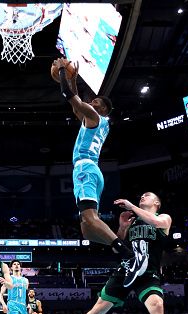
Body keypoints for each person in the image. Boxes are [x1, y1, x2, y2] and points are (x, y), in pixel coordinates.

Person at [56, 192, 178, 314]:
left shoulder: (164, 217)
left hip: (147, 272)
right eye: (141, 195)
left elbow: (158, 223)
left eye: (147, 195)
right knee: (98, 309)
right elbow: (116, 248)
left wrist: (131, 206)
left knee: (157, 305)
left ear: (157, 202)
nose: (142, 196)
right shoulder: (132, 222)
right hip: (126, 269)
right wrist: (122, 227)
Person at [52, 57, 134, 271]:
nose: (92, 102)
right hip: (92, 170)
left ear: (103, 109)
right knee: (87, 230)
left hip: (85, 169)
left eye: (96, 101)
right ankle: (118, 242)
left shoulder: (95, 115)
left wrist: (62, 72)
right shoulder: (96, 120)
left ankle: (125, 252)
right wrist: (73, 80)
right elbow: (75, 106)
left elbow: (69, 97)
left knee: (89, 218)